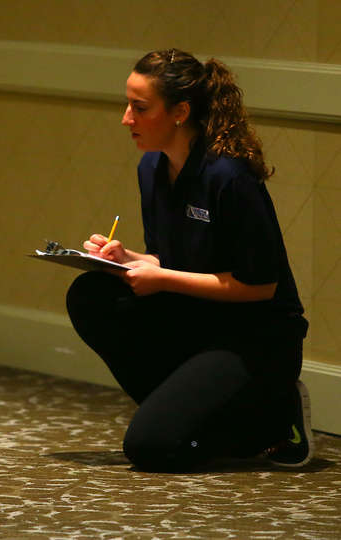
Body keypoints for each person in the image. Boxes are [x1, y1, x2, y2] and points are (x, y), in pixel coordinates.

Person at [65, 49, 311, 472]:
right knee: (93, 293)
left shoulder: (228, 176)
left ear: (180, 111)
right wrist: (129, 258)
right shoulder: (151, 168)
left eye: (140, 108)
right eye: (127, 105)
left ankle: (273, 414)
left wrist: (162, 279)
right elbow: (174, 258)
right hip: (197, 319)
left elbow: (260, 286)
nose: (126, 118)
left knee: (151, 448)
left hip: (255, 337)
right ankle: (192, 409)